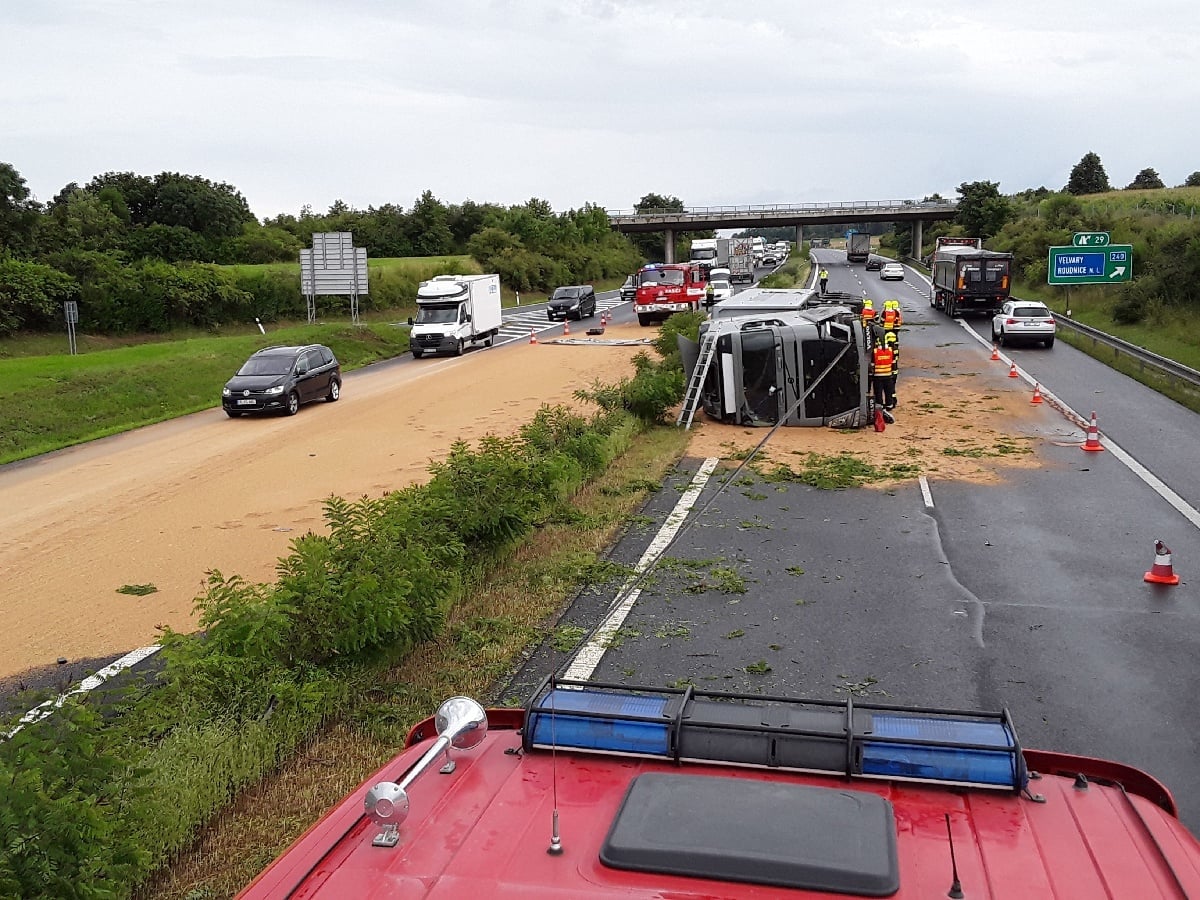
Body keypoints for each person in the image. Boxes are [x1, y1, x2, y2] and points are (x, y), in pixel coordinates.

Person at [871, 333, 897, 412]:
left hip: (877, 376)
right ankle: (889, 405)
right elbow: (893, 363)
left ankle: (880, 406)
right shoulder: (890, 350)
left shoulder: (875, 352)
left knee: (878, 392)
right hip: (888, 375)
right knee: (888, 391)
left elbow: (872, 365)